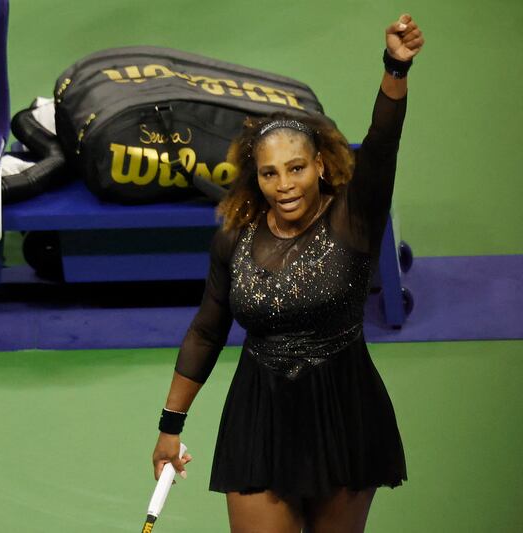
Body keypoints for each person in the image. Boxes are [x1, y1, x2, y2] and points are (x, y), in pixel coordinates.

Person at [151, 14, 425, 533]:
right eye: (270, 172)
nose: (285, 184)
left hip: (344, 415)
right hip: (259, 419)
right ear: (256, 177)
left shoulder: (354, 216)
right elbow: (208, 330)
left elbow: (383, 141)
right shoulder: (235, 237)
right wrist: (170, 427)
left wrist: (396, 67)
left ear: (321, 164)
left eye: (296, 168)